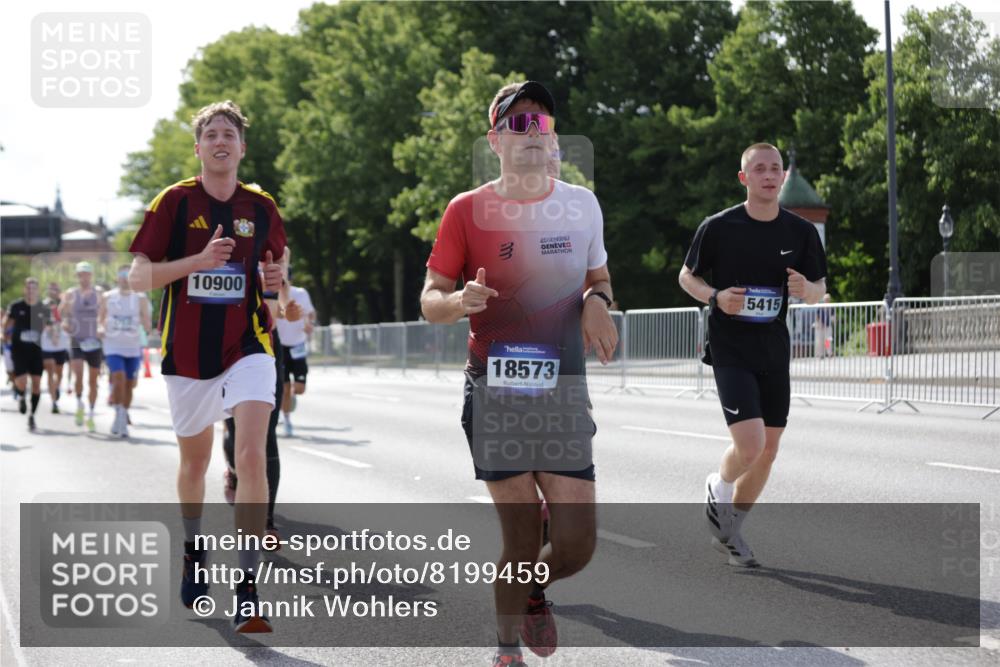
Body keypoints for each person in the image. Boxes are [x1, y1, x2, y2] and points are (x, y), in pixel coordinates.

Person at [420, 81, 618, 667]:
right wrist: (460, 302)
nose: (534, 132)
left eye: (543, 123)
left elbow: (599, 278)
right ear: (495, 140)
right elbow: (430, 299)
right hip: (495, 390)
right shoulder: (467, 209)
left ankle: (531, 589)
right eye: (520, 123)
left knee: (577, 545)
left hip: (561, 393)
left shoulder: (582, 204)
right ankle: (506, 652)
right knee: (523, 537)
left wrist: (598, 301)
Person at [128, 100, 286, 633]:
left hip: (249, 344)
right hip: (188, 354)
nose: (221, 141)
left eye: (230, 134)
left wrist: (276, 284)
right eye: (211, 134)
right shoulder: (174, 202)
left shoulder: (262, 206)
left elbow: (275, 279)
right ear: (198, 148)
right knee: (194, 464)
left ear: (242, 147)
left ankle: (248, 588)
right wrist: (196, 263)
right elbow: (137, 278)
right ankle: (195, 550)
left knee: (251, 456)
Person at [678, 142, 827, 567]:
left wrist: (808, 291)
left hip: (774, 349)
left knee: (769, 451)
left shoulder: (799, 232)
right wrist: (715, 296)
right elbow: (686, 276)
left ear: (783, 176)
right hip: (730, 347)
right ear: (744, 178)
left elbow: (820, 289)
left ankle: (730, 531)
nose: (768, 175)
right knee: (750, 444)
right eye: (759, 168)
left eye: (775, 168)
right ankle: (719, 486)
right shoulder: (720, 226)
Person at [222, 250, 302, 545]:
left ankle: (265, 523)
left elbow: (282, 297)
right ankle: (233, 472)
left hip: (265, 347)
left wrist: (287, 310)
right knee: (233, 429)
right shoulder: (225, 237)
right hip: (224, 343)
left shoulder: (277, 247)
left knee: (265, 435)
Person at [99, 265, 152, 437]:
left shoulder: (140, 298)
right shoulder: (108, 297)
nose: (124, 278)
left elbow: (147, 321)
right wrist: (100, 328)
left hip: (132, 347)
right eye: (121, 274)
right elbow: (100, 319)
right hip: (113, 345)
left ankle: (123, 413)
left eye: (128, 274)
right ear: (117, 278)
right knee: (119, 378)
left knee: (130, 385)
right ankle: (118, 415)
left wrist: (147, 326)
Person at [275, 248, 314, 437]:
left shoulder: (301, 293)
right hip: (281, 346)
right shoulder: (274, 293)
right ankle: (287, 419)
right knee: (284, 386)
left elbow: (310, 314)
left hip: (298, 345)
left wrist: (308, 324)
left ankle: (288, 400)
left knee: (299, 389)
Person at [60, 262, 103, 431]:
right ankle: (79, 405)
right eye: (80, 274)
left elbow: (105, 313)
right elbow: (61, 312)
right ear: (77, 276)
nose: (83, 277)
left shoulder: (99, 292)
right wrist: (64, 322)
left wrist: (102, 325)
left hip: (94, 340)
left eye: (86, 274)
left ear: (91, 275)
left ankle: (91, 414)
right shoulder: (71, 293)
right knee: (78, 376)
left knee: (93, 381)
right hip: (77, 339)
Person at [4, 278, 49, 430]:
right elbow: (7, 324)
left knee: (36, 384)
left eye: (34, 289)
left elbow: (49, 326)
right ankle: (21, 395)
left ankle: (32, 416)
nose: (31, 291)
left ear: (37, 290)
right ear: (25, 290)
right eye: (28, 288)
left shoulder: (43, 307)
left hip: (36, 351)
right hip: (19, 350)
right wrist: (5, 337)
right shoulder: (16, 306)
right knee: (21, 381)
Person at [41, 282, 69, 412]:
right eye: (51, 289)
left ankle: (56, 388)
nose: (53, 292)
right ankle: (54, 402)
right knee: (50, 370)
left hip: (61, 344)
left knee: (60, 372)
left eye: (56, 289)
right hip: (47, 344)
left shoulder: (64, 304)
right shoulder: (43, 305)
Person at [813, 293, 834, 358]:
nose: (827, 301)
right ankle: (821, 354)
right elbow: (817, 317)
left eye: (828, 299)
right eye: (825, 299)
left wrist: (832, 320)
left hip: (827, 327)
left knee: (827, 340)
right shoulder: (820, 308)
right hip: (820, 327)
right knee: (820, 341)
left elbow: (833, 317)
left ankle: (829, 353)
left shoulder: (831, 308)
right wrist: (819, 324)